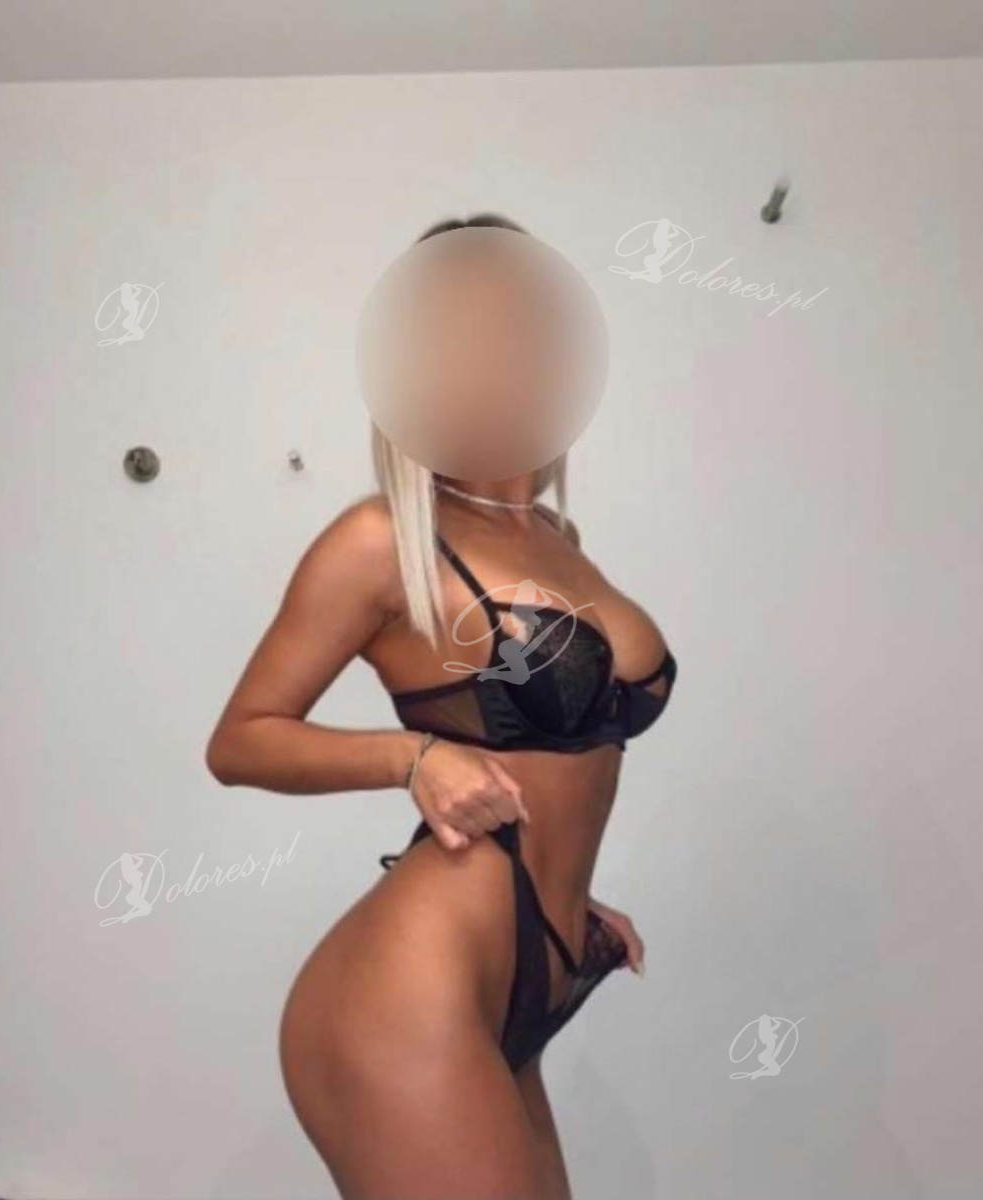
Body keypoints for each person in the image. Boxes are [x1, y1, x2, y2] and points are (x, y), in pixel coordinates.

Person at [205, 214, 679, 1200]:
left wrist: (562, 892)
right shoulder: (381, 540)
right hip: (411, 982)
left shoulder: (557, 537)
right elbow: (240, 742)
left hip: (529, 963)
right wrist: (413, 760)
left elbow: (561, 759)